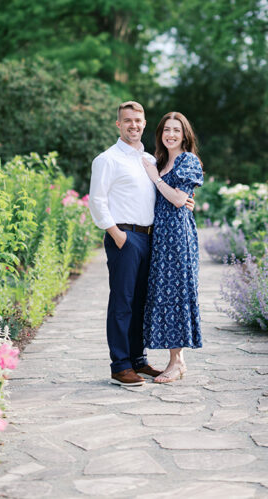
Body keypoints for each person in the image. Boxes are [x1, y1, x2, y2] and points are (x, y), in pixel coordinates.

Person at [88, 101, 167, 386]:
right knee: (122, 302)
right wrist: (117, 234)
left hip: (149, 237)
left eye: (138, 120)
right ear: (118, 125)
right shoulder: (107, 159)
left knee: (142, 303)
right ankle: (120, 366)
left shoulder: (149, 158)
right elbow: (96, 201)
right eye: (127, 120)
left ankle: (138, 360)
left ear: (144, 123)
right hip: (125, 237)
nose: (134, 125)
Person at [140, 111, 203, 383]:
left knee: (175, 294)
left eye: (177, 130)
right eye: (167, 129)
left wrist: (156, 179)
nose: (171, 134)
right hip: (161, 237)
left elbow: (178, 199)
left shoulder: (187, 160)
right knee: (164, 296)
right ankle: (175, 360)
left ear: (185, 134)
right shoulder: (162, 162)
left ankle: (177, 362)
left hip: (178, 238)